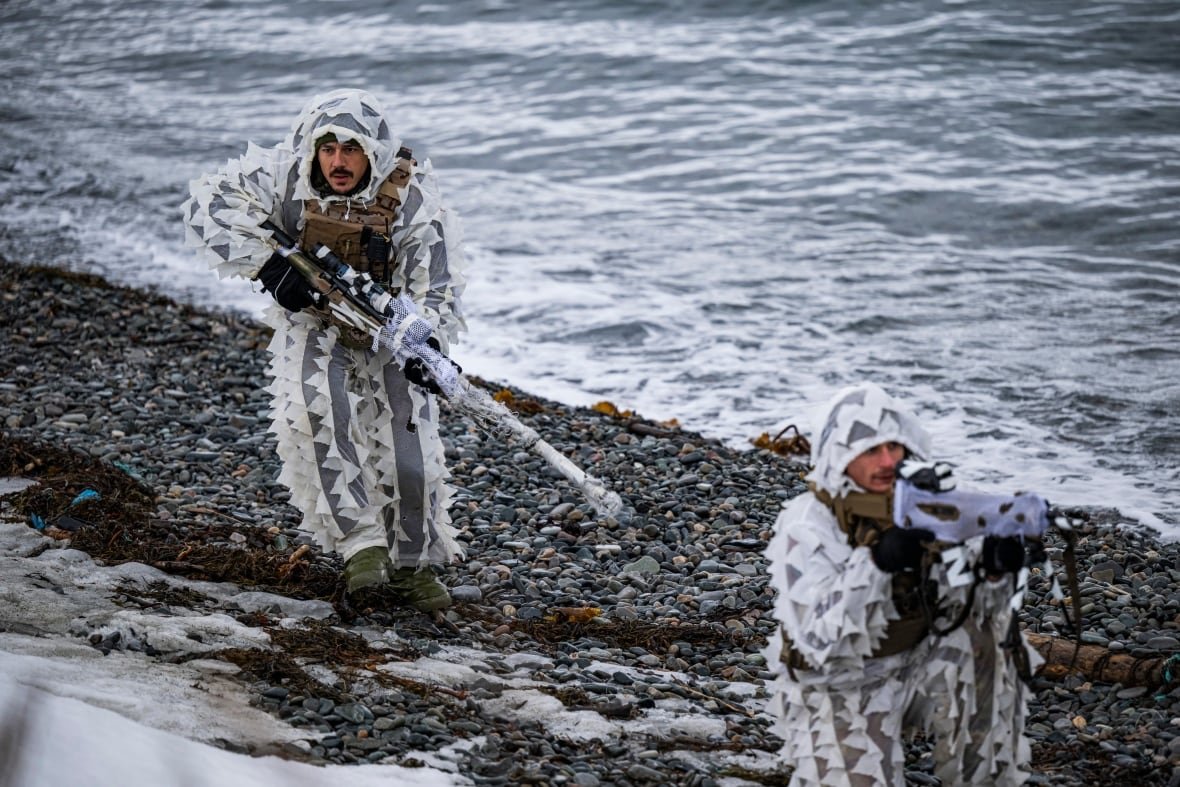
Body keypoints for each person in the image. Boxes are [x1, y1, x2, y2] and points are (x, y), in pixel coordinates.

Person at [181, 89, 467, 611]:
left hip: (392, 328)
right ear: (312, 148)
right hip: (314, 322)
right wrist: (269, 268)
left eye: (352, 149)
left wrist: (428, 343)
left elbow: (439, 286)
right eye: (328, 147)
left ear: (373, 153)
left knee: (411, 446)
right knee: (317, 416)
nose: (338, 161)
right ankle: (362, 548)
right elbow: (209, 204)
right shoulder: (285, 177)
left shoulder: (412, 200)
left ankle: (411, 566)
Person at [763, 382, 1038, 786]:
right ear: (841, 454)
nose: (888, 460)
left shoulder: (922, 506)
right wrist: (877, 563)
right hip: (839, 684)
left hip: (915, 661)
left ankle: (981, 774)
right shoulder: (807, 522)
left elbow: (968, 605)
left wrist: (994, 568)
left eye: (895, 448)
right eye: (871, 450)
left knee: (991, 646)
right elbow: (817, 639)